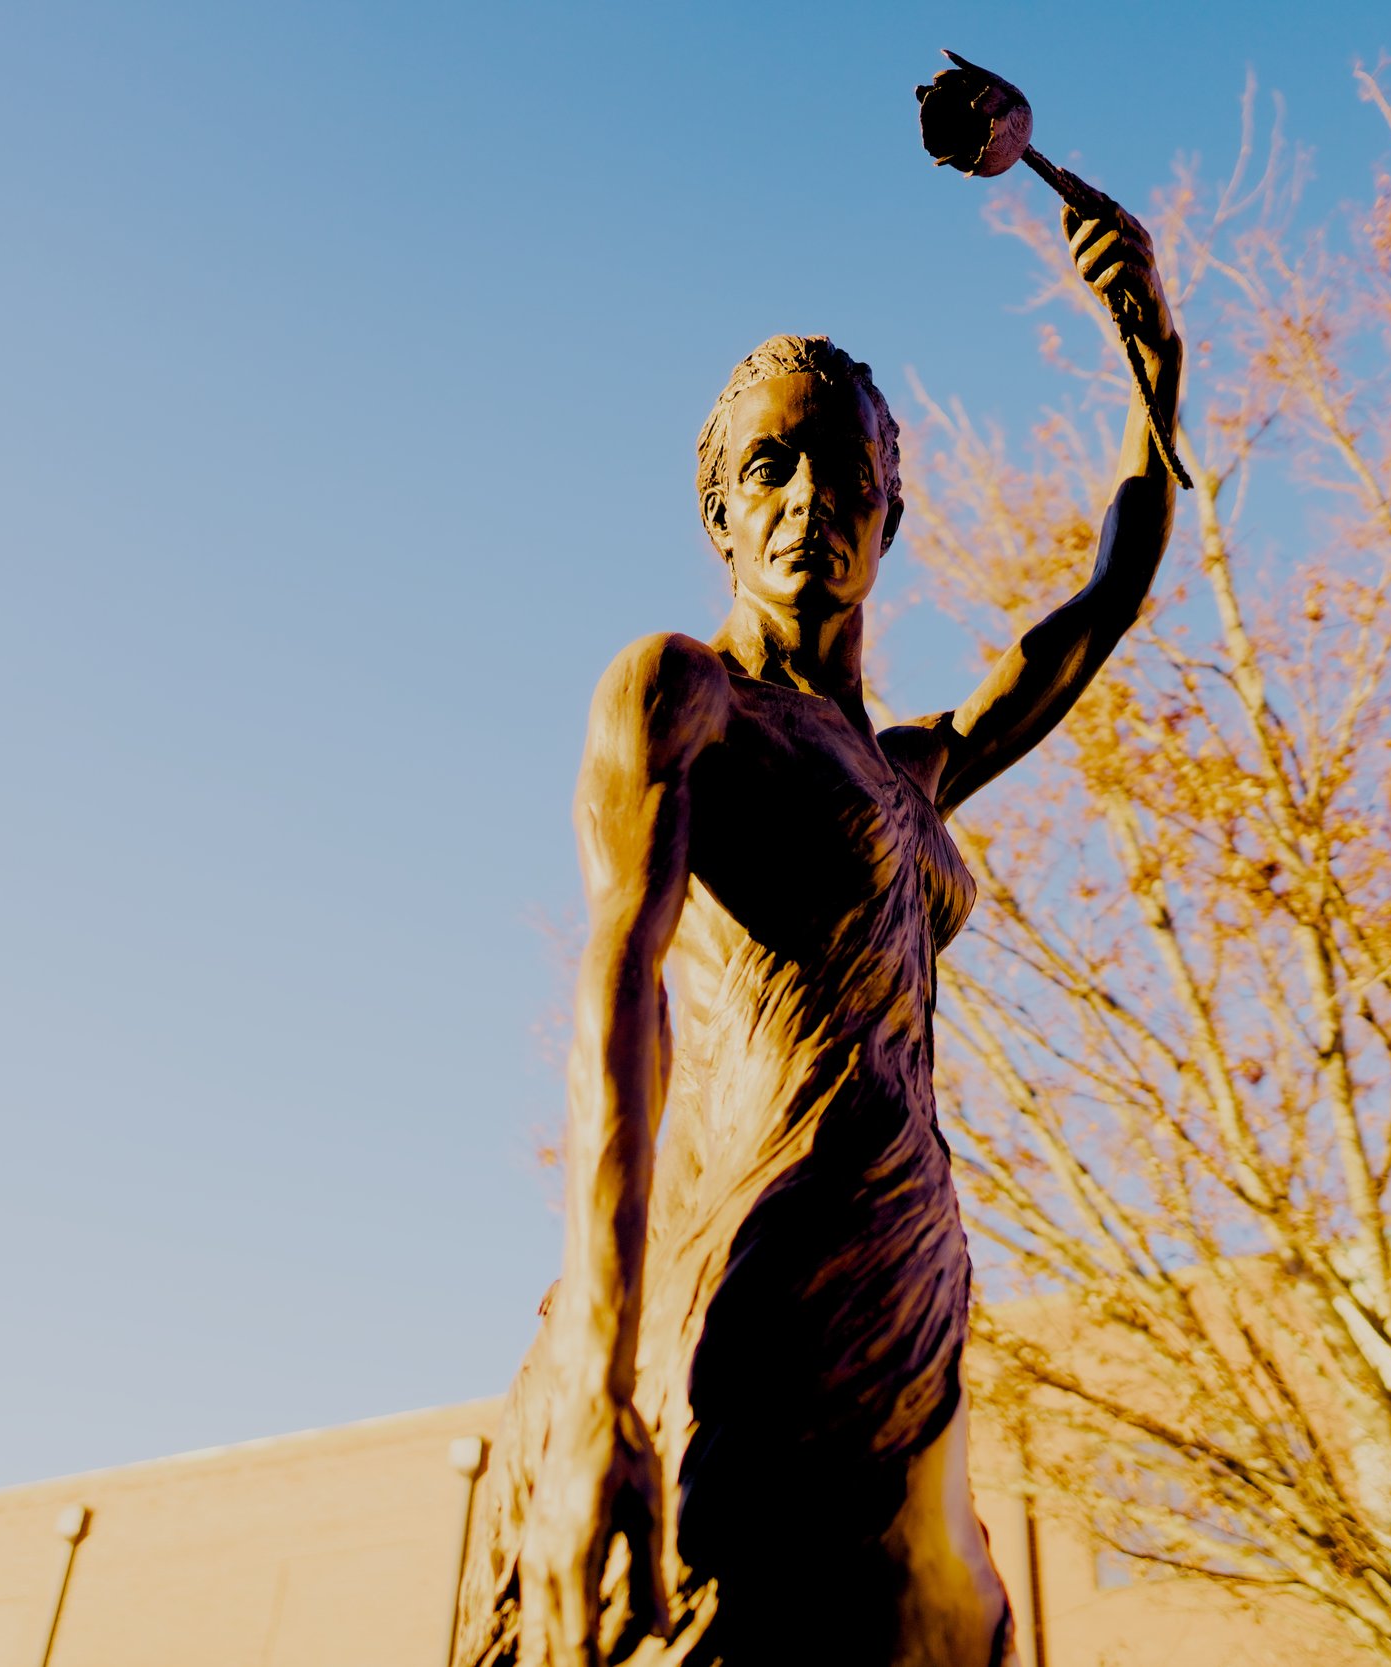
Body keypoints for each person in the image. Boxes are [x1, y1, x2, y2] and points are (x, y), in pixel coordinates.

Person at [454, 192, 1183, 1667]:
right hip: (762, 1294)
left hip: (911, 1300)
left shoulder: (916, 770)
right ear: (720, 513)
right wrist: (596, 1383)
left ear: (890, 521)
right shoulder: (682, 700)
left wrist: (1152, 349)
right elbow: (619, 1006)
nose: (809, 502)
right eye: (767, 469)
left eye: (845, 473)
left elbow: (1104, 600)